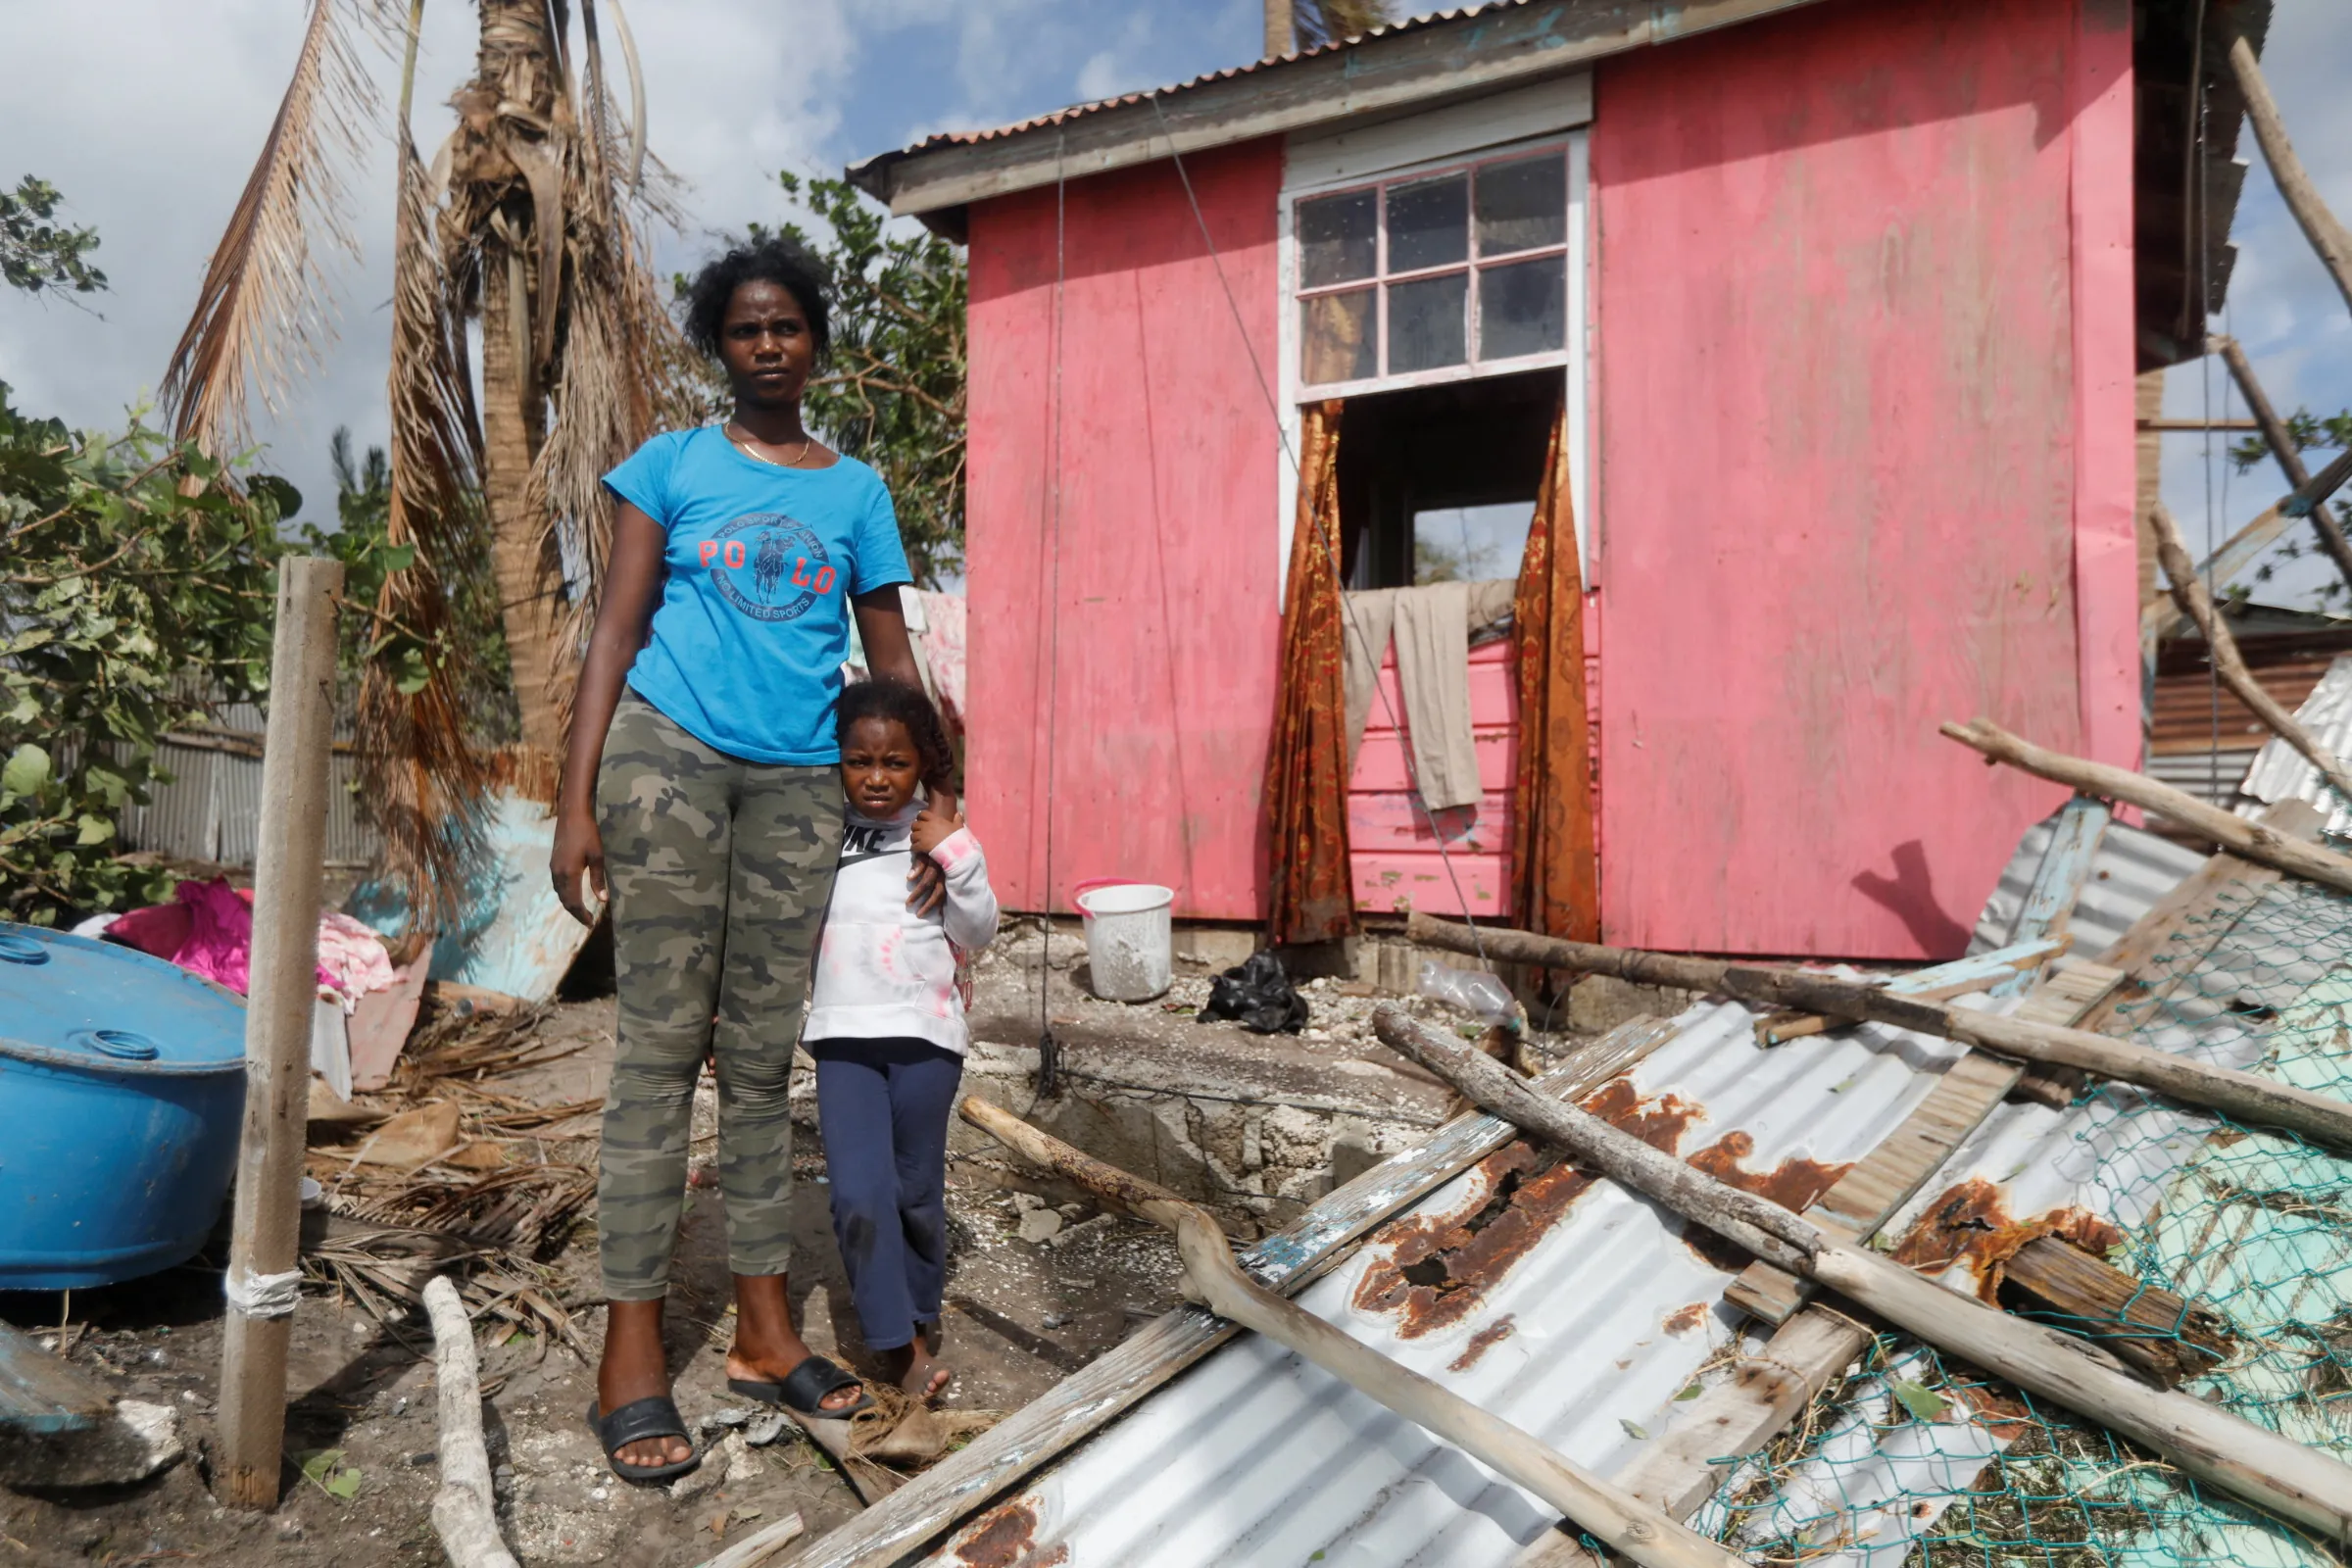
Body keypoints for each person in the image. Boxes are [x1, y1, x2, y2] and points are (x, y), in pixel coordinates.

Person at [550, 235, 948, 1484]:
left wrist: (942, 801)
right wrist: (574, 799)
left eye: (786, 327)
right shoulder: (669, 465)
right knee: (662, 1051)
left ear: (814, 341)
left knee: (766, 1060)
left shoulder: (858, 491)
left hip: (797, 788)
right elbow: (614, 630)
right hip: (664, 758)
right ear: (719, 347)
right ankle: (631, 1347)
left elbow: (889, 666)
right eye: (744, 329)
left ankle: (767, 1334)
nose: (768, 345)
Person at [808, 678, 998, 1404]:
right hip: (844, 1037)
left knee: (916, 1193)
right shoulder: (825, 828)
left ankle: (920, 1311)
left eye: (895, 763)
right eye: (860, 762)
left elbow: (977, 932)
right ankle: (900, 1345)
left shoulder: (940, 832)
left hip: (926, 1036)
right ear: (840, 762)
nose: (877, 778)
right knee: (859, 1194)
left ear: (921, 766)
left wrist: (955, 854)